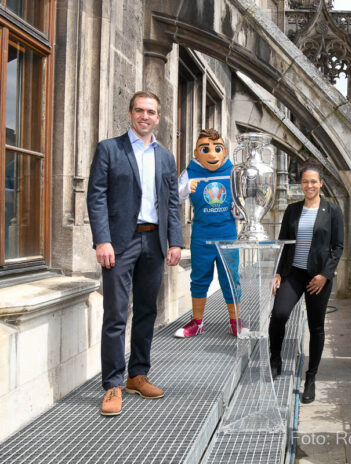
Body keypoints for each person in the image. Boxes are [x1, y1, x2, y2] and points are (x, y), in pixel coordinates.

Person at [87, 91, 183, 416]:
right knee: (116, 313)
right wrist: (102, 240)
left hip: (154, 242)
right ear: (130, 113)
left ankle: (137, 375)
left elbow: (172, 202)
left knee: (146, 312)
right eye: (140, 110)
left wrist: (175, 242)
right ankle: (112, 384)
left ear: (158, 117)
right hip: (120, 243)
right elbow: (96, 196)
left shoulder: (166, 157)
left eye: (151, 111)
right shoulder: (110, 149)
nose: (145, 116)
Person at [269, 160, 344, 404]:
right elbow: (283, 243)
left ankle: (310, 378)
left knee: (316, 327)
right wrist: (278, 273)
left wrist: (325, 275)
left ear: (321, 183)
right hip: (294, 274)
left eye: (314, 181)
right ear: (300, 184)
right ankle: (275, 358)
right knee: (279, 314)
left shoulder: (332, 211)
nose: (309, 185)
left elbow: (338, 247)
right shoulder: (292, 210)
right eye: (305, 182)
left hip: (318, 277)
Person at [175, 128, 244, 338]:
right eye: (205, 149)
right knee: (199, 278)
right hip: (201, 236)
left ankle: (235, 321)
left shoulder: (234, 172)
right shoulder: (190, 172)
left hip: (227, 235)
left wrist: (239, 211)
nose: (212, 155)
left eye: (217, 149)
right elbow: (174, 198)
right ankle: (197, 322)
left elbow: (244, 201)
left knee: (230, 278)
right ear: (196, 153)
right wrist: (186, 188)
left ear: (224, 151)